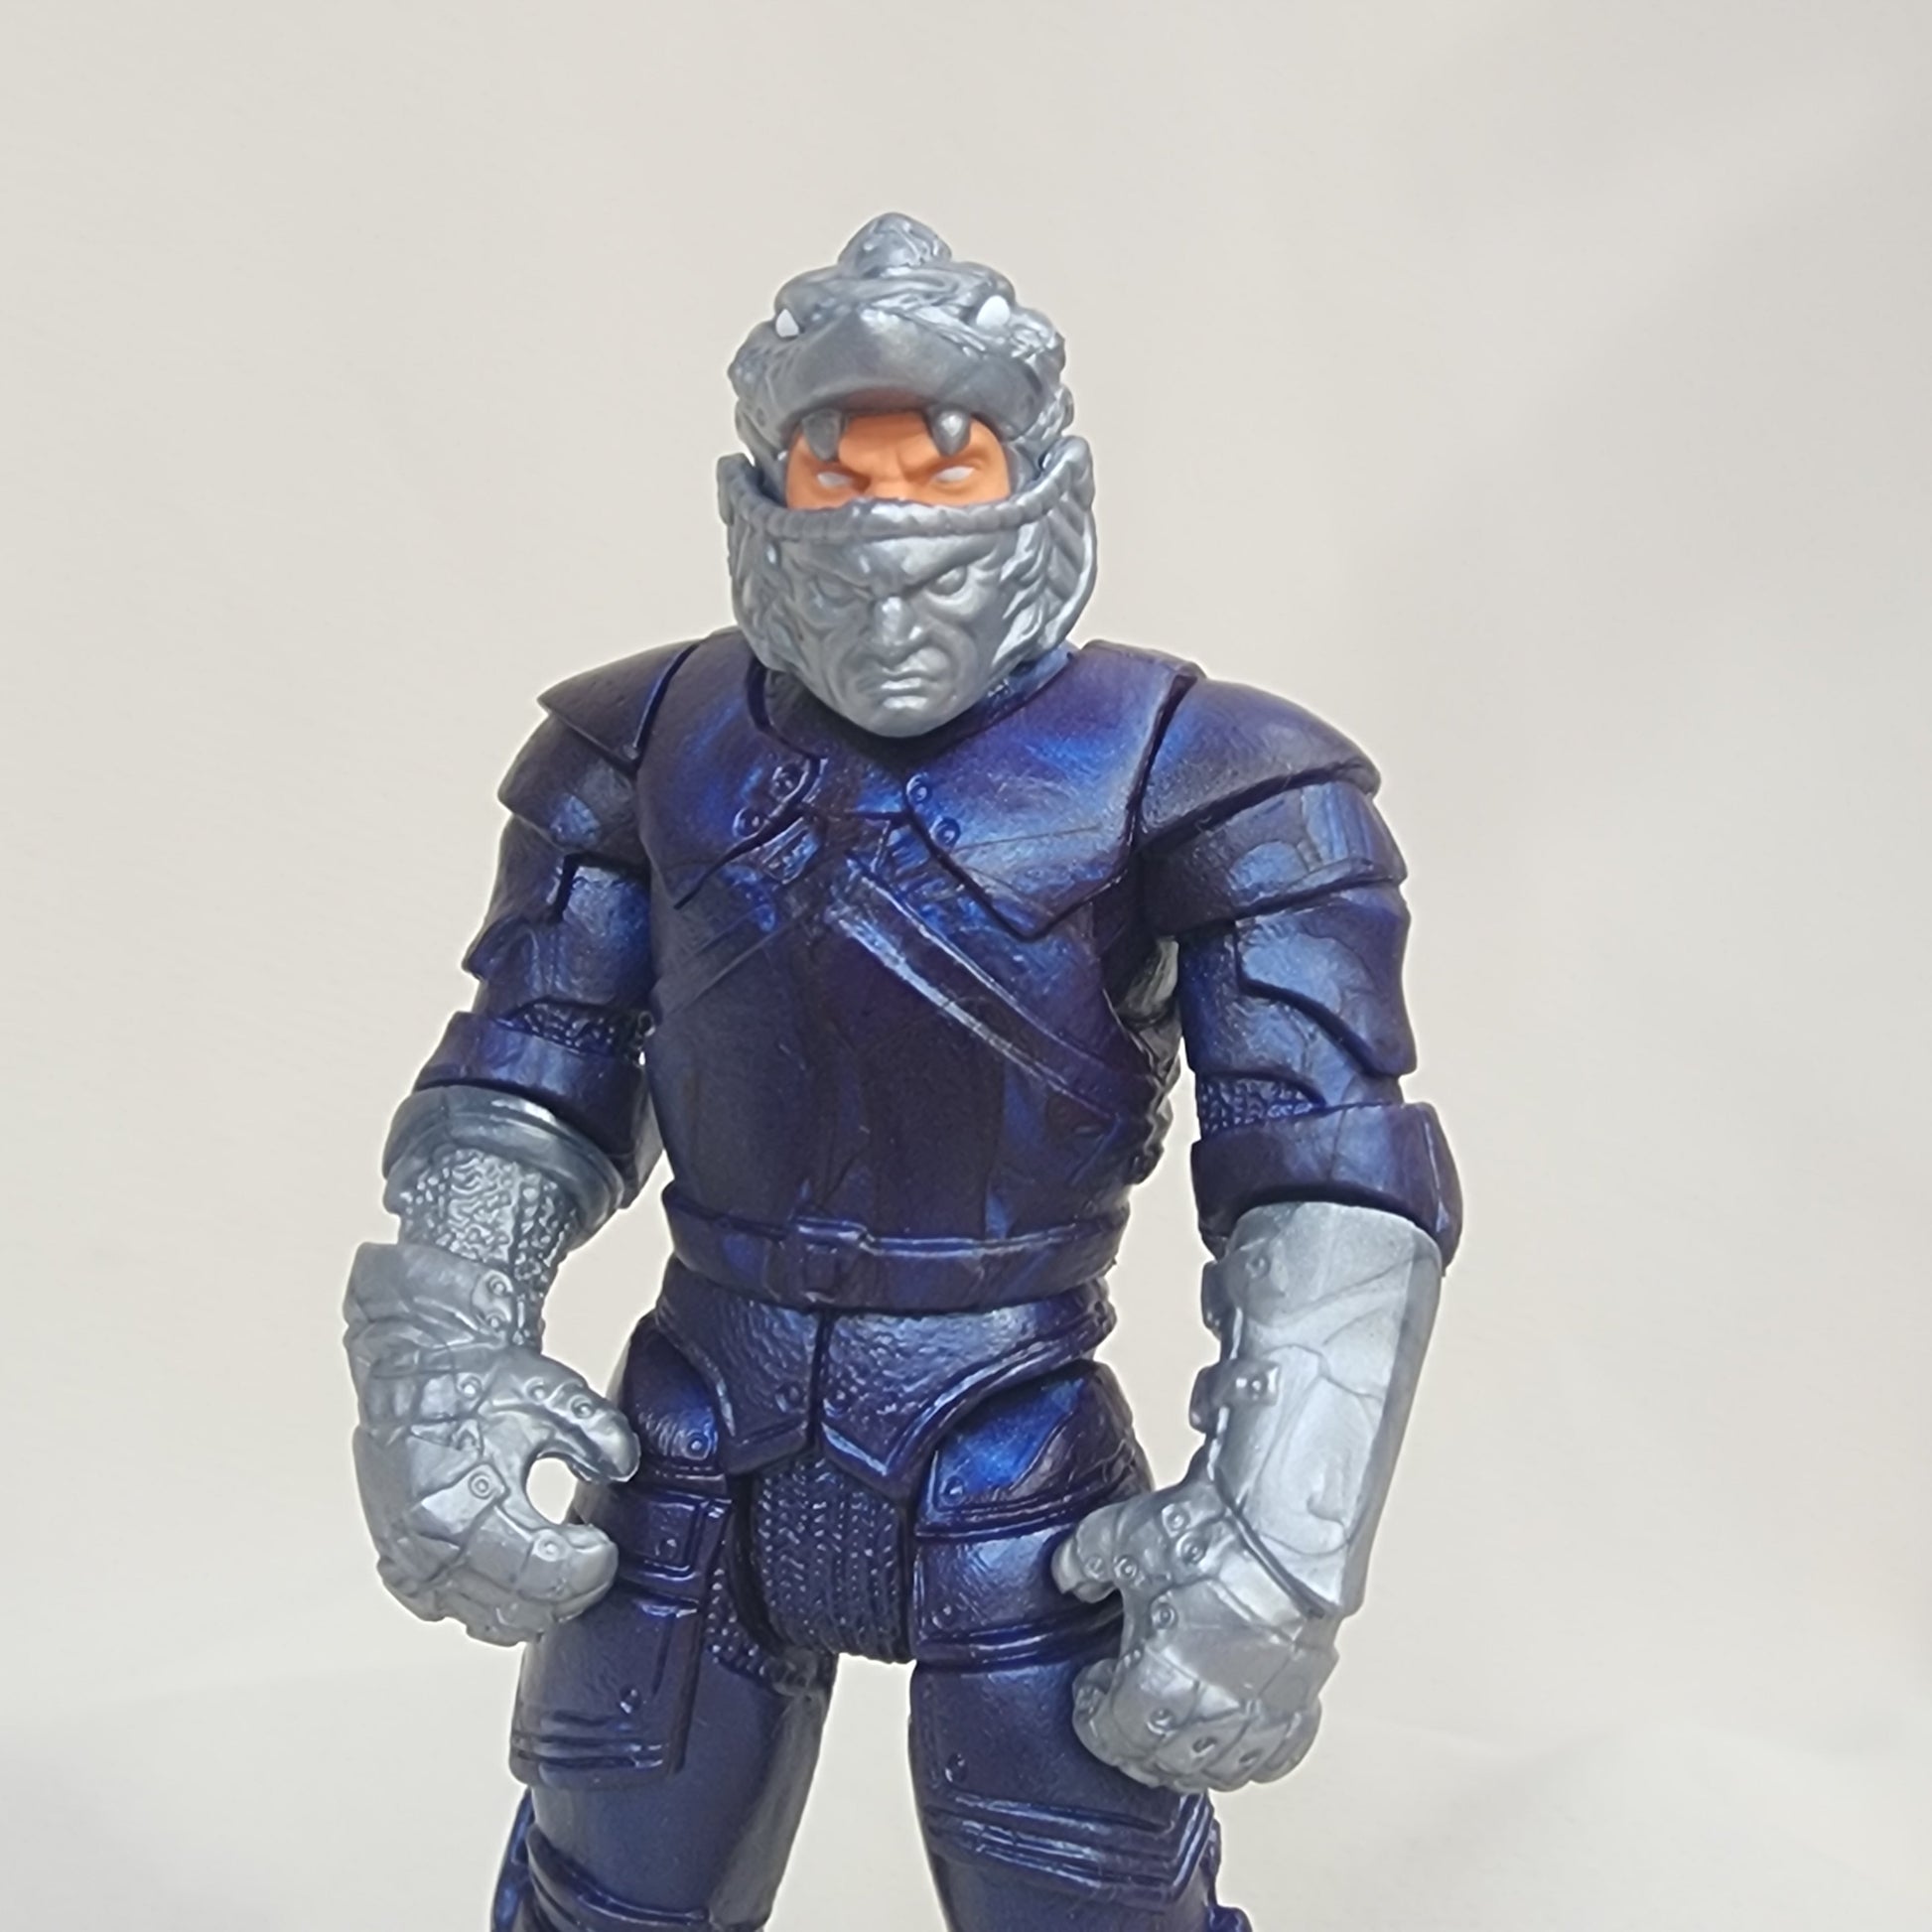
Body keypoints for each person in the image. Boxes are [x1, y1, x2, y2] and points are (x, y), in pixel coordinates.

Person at [345, 212, 1460, 1932]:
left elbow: (1320, 1168)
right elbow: (528, 1072)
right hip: (692, 1426)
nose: (887, 527)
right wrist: (445, 1345)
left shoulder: (1203, 771)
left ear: (1042, 484)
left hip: (1005, 1446)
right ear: (760, 497)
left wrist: (1275, 1534)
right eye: (839, 468)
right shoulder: (635, 746)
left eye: (941, 466)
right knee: (603, 1897)